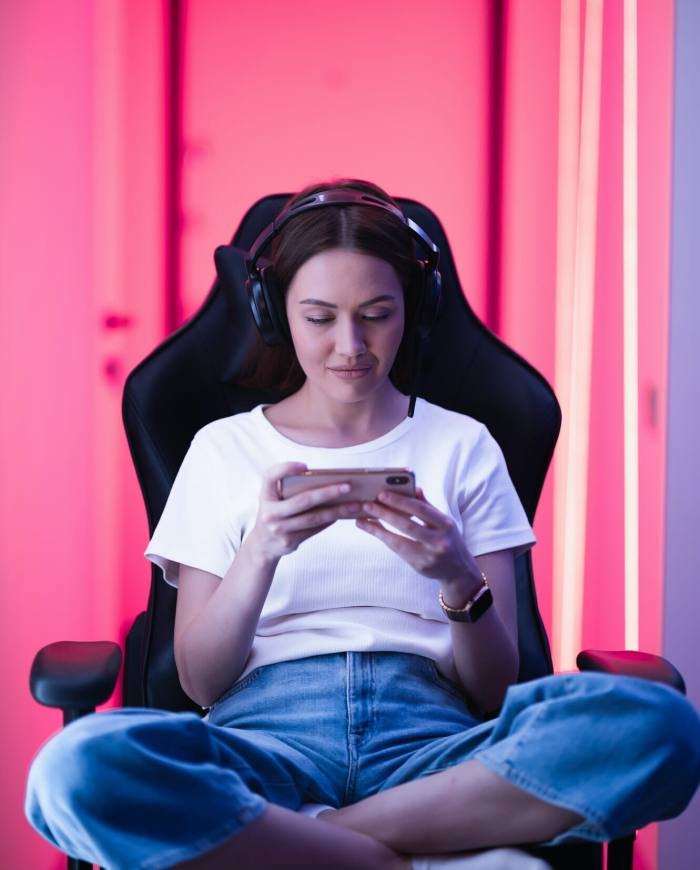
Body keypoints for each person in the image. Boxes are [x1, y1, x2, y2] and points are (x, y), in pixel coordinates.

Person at [25, 178, 700, 870]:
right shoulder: (222, 450)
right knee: (71, 772)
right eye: (320, 317)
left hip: (435, 752)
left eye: (376, 314)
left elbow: (496, 692)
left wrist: (457, 579)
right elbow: (201, 684)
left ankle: (323, 842)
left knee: (662, 728)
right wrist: (262, 550)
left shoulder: (463, 446)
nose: (351, 345)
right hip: (263, 745)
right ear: (274, 312)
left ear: (413, 309)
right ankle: (394, 858)